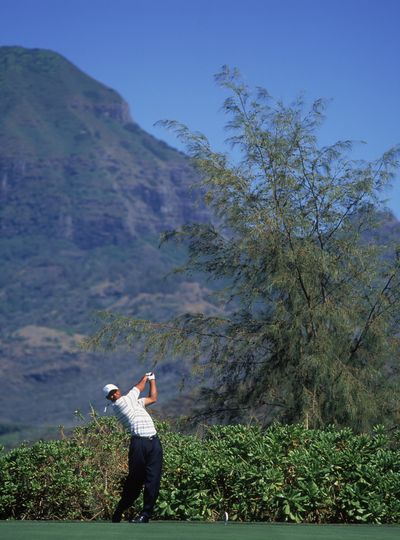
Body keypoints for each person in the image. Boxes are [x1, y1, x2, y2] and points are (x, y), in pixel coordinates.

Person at [103, 372, 162, 524]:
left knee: (153, 479)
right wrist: (146, 377)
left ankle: (145, 514)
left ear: (118, 391)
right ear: (110, 398)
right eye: (110, 394)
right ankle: (120, 509)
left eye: (114, 391)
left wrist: (153, 381)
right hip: (139, 444)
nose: (113, 395)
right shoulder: (121, 404)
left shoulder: (134, 403)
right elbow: (138, 387)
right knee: (135, 480)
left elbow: (153, 398)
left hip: (153, 442)